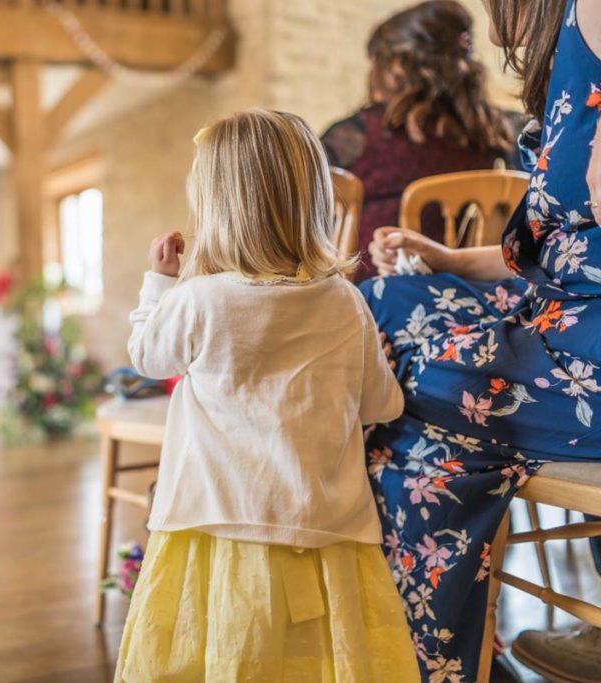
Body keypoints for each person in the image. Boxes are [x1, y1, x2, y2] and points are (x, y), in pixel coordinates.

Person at [113, 109, 419, 682]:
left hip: (214, 524)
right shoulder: (344, 302)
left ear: (216, 206)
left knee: (221, 658)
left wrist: (158, 283)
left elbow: (147, 356)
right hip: (326, 531)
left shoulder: (199, 298)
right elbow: (385, 407)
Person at [360, 1, 601, 679]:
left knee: (406, 389)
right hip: (559, 314)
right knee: (371, 307)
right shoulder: (565, 55)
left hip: (588, 350)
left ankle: (419, 653)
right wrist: (447, 257)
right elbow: (554, 249)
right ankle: (432, 643)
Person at [321, 0, 518, 282]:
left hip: (372, 299)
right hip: (469, 292)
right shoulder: (496, 132)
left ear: (397, 67)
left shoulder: (356, 136)